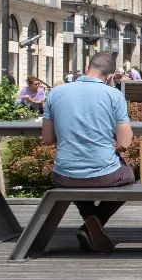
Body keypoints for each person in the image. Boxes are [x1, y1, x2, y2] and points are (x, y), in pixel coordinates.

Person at [40, 50, 134, 253]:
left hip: (63, 175)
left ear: (85, 69)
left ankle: (89, 219)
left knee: (74, 174)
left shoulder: (56, 92)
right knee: (129, 177)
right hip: (104, 175)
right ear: (110, 76)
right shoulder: (114, 95)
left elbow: (47, 138)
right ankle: (94, 222)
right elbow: (125, 142)